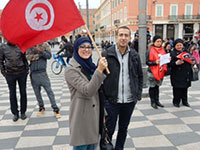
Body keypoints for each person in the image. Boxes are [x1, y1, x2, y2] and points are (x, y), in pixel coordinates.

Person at [101, 26, 143, 150]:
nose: (123, 38)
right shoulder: (107, 54)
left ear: (130, 38)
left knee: (123, 129)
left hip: (129, 101)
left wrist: (138, 94)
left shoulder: (134, 55)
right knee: (109, 129)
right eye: (121, 35)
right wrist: (105, 99)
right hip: (112, 101)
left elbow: (140, 76)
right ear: (116, 37)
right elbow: (99, 77)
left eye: (126, 35)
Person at [65, 37, 107, 150]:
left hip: (95, 115)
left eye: (89, 47)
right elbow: (88, 91)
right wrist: (99, 70)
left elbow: (99, 91)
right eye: (82, 47)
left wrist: (103, 113)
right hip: (82, 118)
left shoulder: (90, 66)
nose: (86, 49)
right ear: (76, 49)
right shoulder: (71, 70)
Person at [26, 42, 61, 118]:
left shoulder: (45, 45)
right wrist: (39, 55)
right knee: (37, 92)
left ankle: (55, 107)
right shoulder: (30, 45)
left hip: (42, 72)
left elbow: (49, 56)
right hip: (33, 73)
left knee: (49, 91)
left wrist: (41, 51)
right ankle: (41, 106)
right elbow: (28, 57)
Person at [0, 42, 29, 121]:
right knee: (12, 94)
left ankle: (23, 112)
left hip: (22, 72)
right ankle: (15, 113)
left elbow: (24, 58)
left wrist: (26, 70)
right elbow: (1, 61)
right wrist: (4, 73)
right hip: (10, 74)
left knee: (23, 92)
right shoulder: (3, 47)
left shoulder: (20, 45)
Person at [170, 38, 195, 107]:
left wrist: (193, 61)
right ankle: (176, 101)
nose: (179, 47)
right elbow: (170, 64)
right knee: (177, 89)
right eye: (177, 45)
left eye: (180, 45)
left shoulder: (186, 52)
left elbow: (191, 59)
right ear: (175, 46)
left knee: (185, 88)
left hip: (186, 73)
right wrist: (176, 63)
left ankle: (185, 101)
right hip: (176, 74)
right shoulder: (172, 53)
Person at [146, 36, 168, 109]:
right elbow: (147, 62)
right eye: (157, 41)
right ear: (154, 42)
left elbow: (165, 59)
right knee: (152, 87)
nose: (159, 43)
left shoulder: (163, 50)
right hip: (152, 71)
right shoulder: (150, 50)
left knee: (157, 87)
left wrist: (167, 59)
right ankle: (152, 101)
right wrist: (155, 62)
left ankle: (157, 100)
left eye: (160, 41)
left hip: (160, 71)